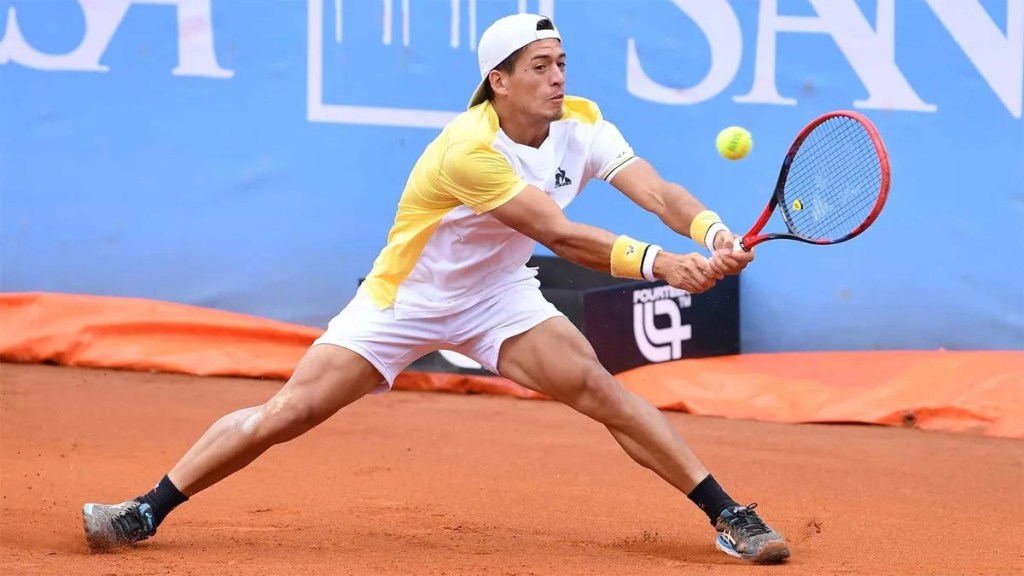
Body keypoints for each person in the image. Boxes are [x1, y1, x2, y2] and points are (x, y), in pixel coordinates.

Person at [82, 13, 790, 564]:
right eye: (540, 67)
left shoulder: (581, 122)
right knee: (287, 413)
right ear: (499, 82)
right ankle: (145, 509)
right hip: (406, 299)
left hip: (498, 297)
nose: (557, 79)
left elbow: (657, 190)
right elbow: (561, 234)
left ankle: (727, 513)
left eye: (562, 64)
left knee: (603, 392)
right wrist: (664, 266)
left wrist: (712, 232)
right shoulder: (468, 151)